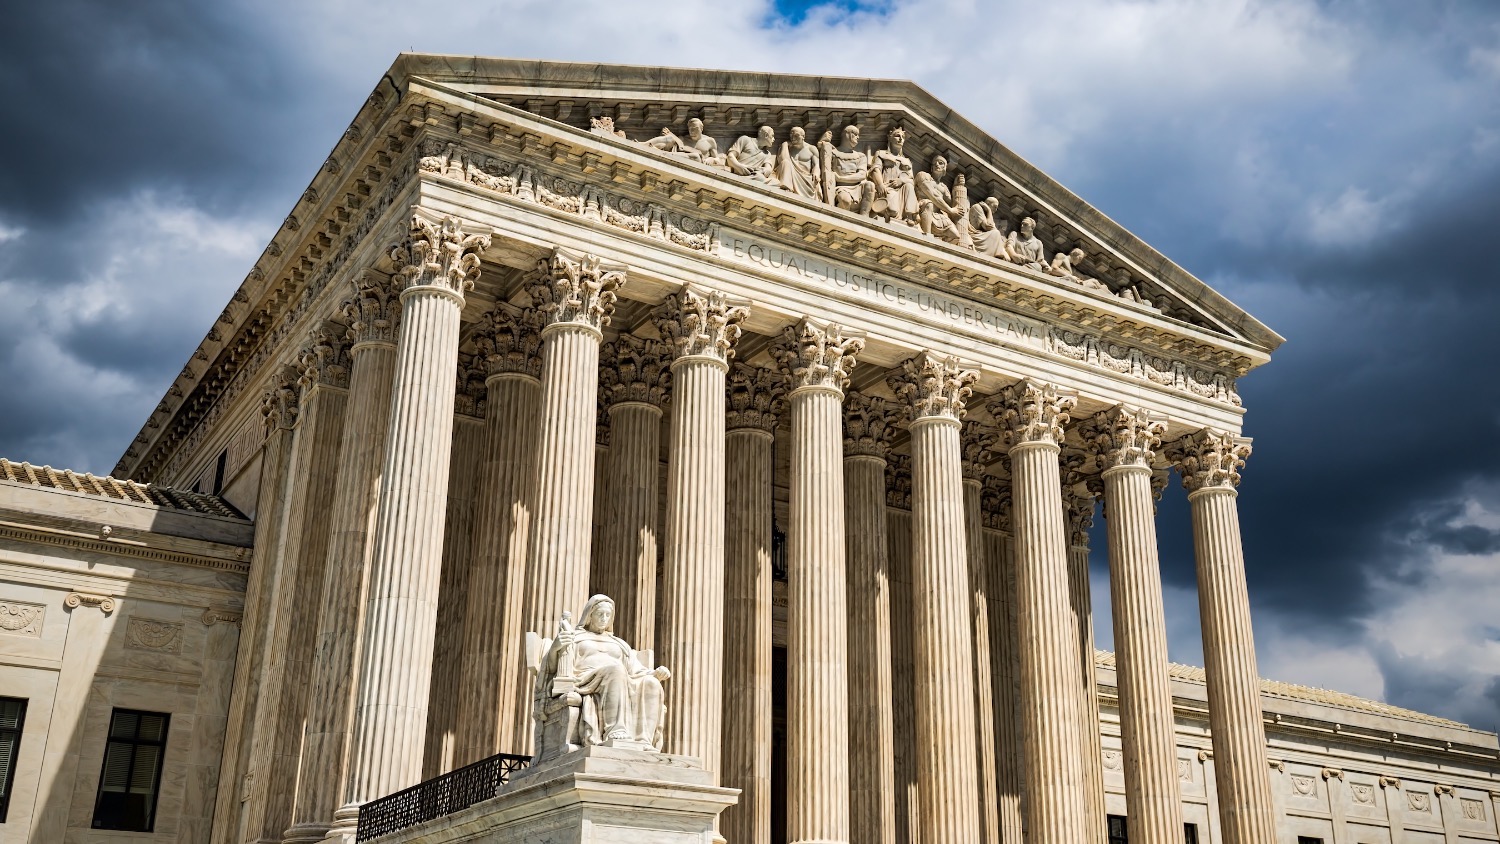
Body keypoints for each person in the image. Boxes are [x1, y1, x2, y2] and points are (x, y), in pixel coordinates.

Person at [545, 594, 670, 748]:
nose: (604, 618)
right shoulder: (575, 637)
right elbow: (552, 667)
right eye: (600, 614)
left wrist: (655, 673)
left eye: (608, 615)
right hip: (586, 679)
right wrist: (556, 647)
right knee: (616, 671)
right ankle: (615, 730)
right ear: (590, 615)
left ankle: (643, 740)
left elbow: (636, 669)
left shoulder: (619, 643)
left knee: (652, 683)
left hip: (620, 680)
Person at [915, 155, 973, 248]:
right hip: (923, 210)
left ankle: (937, 246)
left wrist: (957, 186)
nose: (937, 164)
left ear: (945, 168)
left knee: (956, 236)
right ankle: (927, 238)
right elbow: (933, 196)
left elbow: (953, 204)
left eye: (940, 163)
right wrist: (950, 210)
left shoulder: (943, 187)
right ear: (931, 167)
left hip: (938, 216)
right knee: (929, 203)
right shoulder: (923, 176)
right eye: (935, 163)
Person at [824, 125, 875, 215]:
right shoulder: (833, 153)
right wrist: (822, 142)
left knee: (870, 185)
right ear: (846, 134)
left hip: (858, 187)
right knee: (845, 200)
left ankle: (864, 218)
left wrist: (840, 178)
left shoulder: (861, 156)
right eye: (855, 134)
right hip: (841, 188)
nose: (858, 137)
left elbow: (862, 175)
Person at [872, 126, 918, 225]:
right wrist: (880, 185)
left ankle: (909, 216)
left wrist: (902, 181)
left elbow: (911, 180)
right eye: (897, 136)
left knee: (909, 186)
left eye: (903, 136)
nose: (901, 139)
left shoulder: (907, 161)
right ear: (889, 137)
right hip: (887, 188)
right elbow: (875, 170)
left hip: (903, 190)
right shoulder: (881, 153)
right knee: (893, 211)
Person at [644, 117, 722, 165]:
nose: (692, 132)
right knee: (670, 138)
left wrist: (711, 159)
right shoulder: (684, 139)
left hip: (699, 164)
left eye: (695, 129)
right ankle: (643, 144)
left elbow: (718, 160)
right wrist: (669, 135)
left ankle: (662, 153)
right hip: (679, 160)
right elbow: (677, 146)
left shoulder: (709, 141)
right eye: (690, 129)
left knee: (696, 156)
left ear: (701, 129)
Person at [775, 126, 823, 200]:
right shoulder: (788, 148)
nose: (793, 138)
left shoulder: (811, 149)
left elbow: (816, 165)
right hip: (791, 176)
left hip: (806, 178)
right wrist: (784, 145)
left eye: (796, 136)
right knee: (786, 163)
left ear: (803, 136)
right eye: (791, 136)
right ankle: (787, 188)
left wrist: (816, 173)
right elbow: (783, 161)